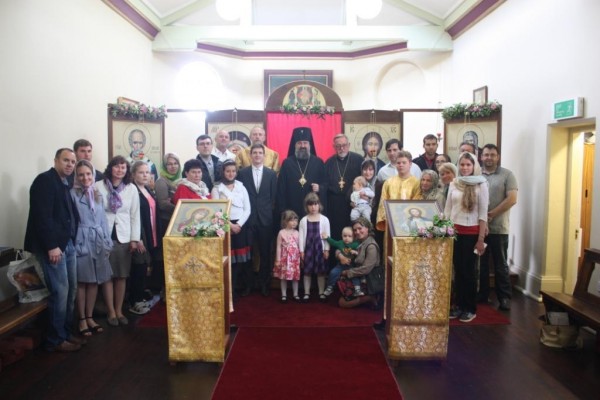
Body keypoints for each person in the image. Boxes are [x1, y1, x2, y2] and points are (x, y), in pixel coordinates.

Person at [24, 148, 82, 352]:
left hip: (67, 244)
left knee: (71, 289)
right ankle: (55, 339)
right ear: (56, 160)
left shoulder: (64, 183)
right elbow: (43, 218)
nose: (69, 165)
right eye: (66, 160)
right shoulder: (45, 181)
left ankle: (65, 332)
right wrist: (52, 246)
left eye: (73, 162)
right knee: (60, 292)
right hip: (54, 247)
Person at [444, 151, 489, 323]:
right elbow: (448, 209)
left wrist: (480, 239)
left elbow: (483, 213)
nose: (464, 168)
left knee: (469, 272)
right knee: (458, 271)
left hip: (472, 233)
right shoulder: (455, 183)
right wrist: (445, 230)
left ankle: (470, 308)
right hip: (455, 233)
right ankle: (459, 305)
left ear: (474, 166)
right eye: (462, 165)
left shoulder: (481, 184)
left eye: (468, 165)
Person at [70, 160, 113, 338]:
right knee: (83, 281)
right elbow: (71, 221)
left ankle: (90, 317)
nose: (85, 177)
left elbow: (103, 219)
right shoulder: (71, 194)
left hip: (98, 240)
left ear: (93, 175)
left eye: (88, 174)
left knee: (95, 280)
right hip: (82, 239)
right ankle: (81, 319)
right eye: (81, 174)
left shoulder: (97, 194)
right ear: (76, 176)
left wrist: (107, 241)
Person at [97, 155, 141, 327]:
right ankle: (111, 311)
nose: (120, 170)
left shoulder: (131, 188)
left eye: (123, 167)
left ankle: (119, 310)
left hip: (124, 235)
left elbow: (135, 215)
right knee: (107, 276)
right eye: (117, 167)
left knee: (121, 275)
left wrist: (134, 239)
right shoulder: (98, 186)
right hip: (104, 235)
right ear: (110, 168)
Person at [479, 144, 518, 310]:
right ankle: (482, 296)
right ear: (481, 157)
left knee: (500, 264)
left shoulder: (507, 175)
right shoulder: (475, 174)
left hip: (498, 228)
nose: (489, 157)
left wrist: (491, 214)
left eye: (492, 155)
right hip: (478, 229)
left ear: (498, 157)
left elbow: (512, 199)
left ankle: (504, 298)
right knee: (480, 264)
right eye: (486, 154)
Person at [238, 143, 277, 297]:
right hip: (248, 219)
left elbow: (273, 197)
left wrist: (269, 215)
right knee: (248, 254)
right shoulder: (242, 173)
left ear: (264, 155)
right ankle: (248, 285)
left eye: (260, 153)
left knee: (265, 253)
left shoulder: (271, 174)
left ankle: (264, 284)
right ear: (250, 155)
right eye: (254, 153)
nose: (257, 155)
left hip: (265, 219)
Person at [211, 160, 251, 299]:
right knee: (228, 261)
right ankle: (227, 291)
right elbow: (216, 211)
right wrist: (230, 225)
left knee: (240, 261)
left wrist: (238, 224)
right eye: (228, 171)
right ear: (223, 172)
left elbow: (247, 209)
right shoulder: (217, 189)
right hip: (225, 227)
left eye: (233, 171)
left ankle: (236, 288)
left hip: (240, 227)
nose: (231, 173)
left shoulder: (241, 187)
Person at [129, 161, 160, 315]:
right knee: (139, 268)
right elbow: (133, 216)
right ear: (133, 174)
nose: (145, 175)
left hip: (152, 232)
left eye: (147, 172)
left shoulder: (147, 189)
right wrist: (138, 237)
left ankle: (141, 295)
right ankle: (135, 300)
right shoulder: (132, 190)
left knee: (147, 266)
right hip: (140, 235)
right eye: (141, 172)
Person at [276, 127, 326, 220]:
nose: (302, 145)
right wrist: (283, 211)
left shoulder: (319, 162)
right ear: (294, 145)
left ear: (309, 145)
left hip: (313, 210)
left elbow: (326, 184)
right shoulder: (287, 163)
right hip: (291, 212)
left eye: (305, 143)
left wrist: (320, 188)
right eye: (299, 143)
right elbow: (281, 189)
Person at [324, 134, 363, 240]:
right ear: (334, 147)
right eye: (338, 146)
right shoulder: (329, 163)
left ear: (349, 145)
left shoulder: (359, 160)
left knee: (353, 232)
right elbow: (325, 185)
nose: (341, 148)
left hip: (352, 204)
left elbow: (364, 183)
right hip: (334, 205)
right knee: (336, 232)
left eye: (344, 145)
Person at [336, 218, 381, 309]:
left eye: (360, 228)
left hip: (368, 280)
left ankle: (369, 297)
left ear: (367, 228)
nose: (357, 232)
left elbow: (366, 269)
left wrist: (348, 273)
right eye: (355, 230)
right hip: (359, 277)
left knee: (342, 303)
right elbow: (340, 249)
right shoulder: (360, 242)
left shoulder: (371, 246)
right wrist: (340, 255)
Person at [376, 150, 421, 231]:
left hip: (410, 223)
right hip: (391, 222)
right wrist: (386, 218)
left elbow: (417, 203)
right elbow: (383, 202)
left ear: (410, 164)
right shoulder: (388, 182)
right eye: (398, 163)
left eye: (404, 163)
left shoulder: (416, 183)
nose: (401, 165)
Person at [298, 192, 330, 302]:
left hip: (319, 248)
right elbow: (301, 237)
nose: (313, 207)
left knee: (321, 271)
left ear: (319, 205)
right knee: (307, 271)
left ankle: (321, 292)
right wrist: (301, 251)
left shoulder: (324, 219)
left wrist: (326, 249)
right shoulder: (303, 220)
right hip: (308, 249)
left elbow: (327, 235)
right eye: (311, 205)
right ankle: (307, 293)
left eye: (315, 204)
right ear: (307, 206)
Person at [322, 226, 361, 297]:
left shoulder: (355, 244)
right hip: (340, 265)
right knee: (333, 272)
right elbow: (333, 242)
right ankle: (329, 287)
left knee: (355, 274)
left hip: (351, 265)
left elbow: (361, 252)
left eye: (349, 236)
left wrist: (355, 252)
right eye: (345, 236)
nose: (347, 238)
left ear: (354, 237)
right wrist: (327, 237)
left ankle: (357, 289)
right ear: (342, 236)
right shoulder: (340, 243)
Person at [273, 210, 301, 302]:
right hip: (284, 259)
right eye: (292, 220)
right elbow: (278, 247)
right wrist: (278, 260)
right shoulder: (281, 233)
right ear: (285, 221)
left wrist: (301, 258)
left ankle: (295, 294)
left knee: (295, 277)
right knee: (283, 277)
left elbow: (299, 246)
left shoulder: (297, 233)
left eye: (296, 220)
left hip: (294, 260)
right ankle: (284, 295)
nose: (294, 222)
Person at [155, 153, 181, 232]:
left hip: (178, 220)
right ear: (165, 166)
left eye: (175, 163)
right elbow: (163, 204)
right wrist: (181, 209)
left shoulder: (182, 180)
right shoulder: (161, 181)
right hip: (167, 220)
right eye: (169, 164)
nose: (173, 166)